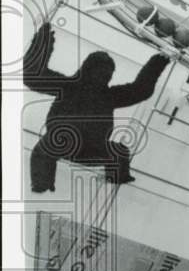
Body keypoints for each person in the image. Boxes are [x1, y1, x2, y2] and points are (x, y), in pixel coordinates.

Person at [23, 22, 171, 193]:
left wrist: (159, 61)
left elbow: (140, 90)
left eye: (109, 72)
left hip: (93, 149)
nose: (106, 75)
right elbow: (32, 76)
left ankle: (117, 177)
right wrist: (42, 42)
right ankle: (42, 183)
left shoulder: (108, 95)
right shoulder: (69, 86)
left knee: (118, 150)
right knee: (47, 147)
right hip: (64, 142)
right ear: (88, 69)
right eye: (102, 70)